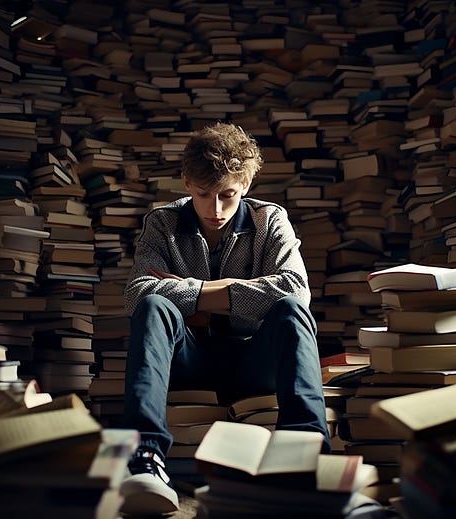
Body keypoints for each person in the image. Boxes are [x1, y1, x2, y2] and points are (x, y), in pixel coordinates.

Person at [118, 122, 330, 515]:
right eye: (203, 195)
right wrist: (231, 292)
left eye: (228, 195)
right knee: (154, 307)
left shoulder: (271, 220)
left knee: (291, 311)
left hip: (253, 359)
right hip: (190, 360)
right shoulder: (161, 223)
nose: (215, 209)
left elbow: (295, 291)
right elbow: (138, 294)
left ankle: (307, 457)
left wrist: (193, 293)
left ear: (246, 185)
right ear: (186, 182)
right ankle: (145, 457)